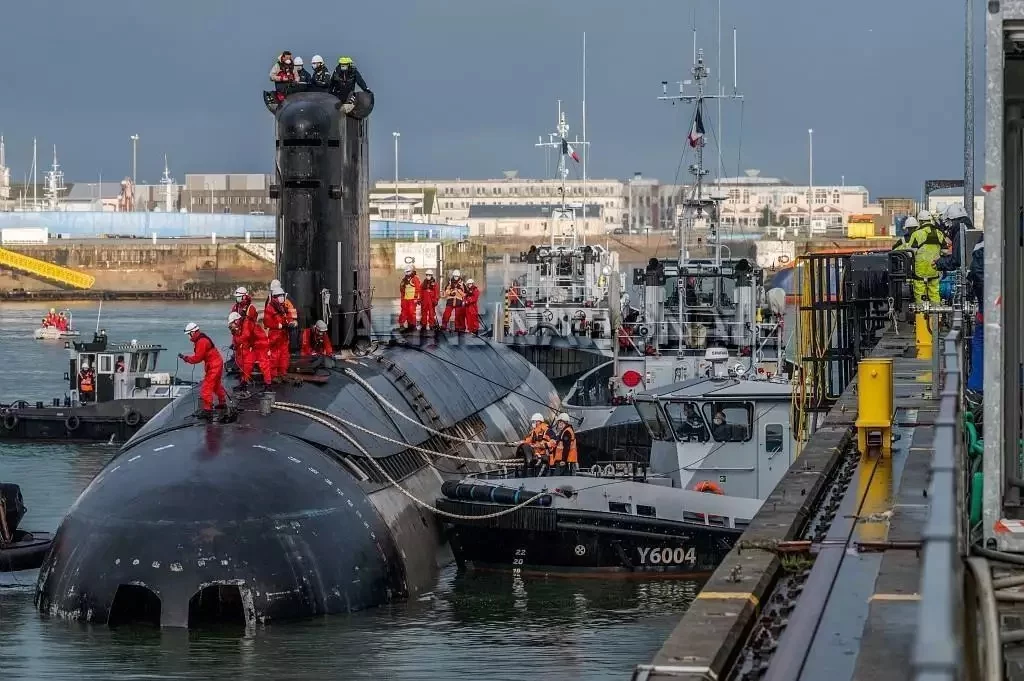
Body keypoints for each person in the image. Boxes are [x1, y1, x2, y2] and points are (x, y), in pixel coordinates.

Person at [896, 209, 948, 305]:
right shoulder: (939, 233)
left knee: (920, 296)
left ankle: (921, 317)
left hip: (920, 272)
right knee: (935, 294)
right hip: (934, 269)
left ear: (920, 221)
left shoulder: (917, 234)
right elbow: (945, 251)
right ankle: (936, 317)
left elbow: (910, 253)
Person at [178, 322, 228, 418]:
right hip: (216, 363)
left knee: (206, 387)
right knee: (216, 385)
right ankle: (222, 403)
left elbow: (198, 358)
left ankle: (207, 409)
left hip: (214, 365)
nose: (189, 337)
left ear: (192, 332)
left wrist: (186, 358)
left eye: (189, 334)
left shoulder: (201, 342)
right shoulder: (201, 339)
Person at [264, 286, 295, 380]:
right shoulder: (270, 308)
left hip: (284, 335)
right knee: (274, 355)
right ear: (275, 297)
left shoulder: (283, 307)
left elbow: (288, 316)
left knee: (284, 355)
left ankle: (283, 373)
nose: (282, 297)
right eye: (280, 295)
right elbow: (267, 322)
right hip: (275, 335)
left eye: (282, 295)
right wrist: (279, 326)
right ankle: (274, 375)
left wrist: (291, 323)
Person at [519, 413, 553, 477]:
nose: (533, 423)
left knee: (542, 475)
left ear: (538, 421)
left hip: (543, 457)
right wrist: (520, 443)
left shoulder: (547, 430)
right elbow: (529, 440)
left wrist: (541, 445)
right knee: (535, 474)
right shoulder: (534, 431)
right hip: (536, 457)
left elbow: (552, 442)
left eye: (534, 421)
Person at [228, 311, 252, 386]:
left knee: (247, 363)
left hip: (252, 345)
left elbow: (246, 336)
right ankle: (243, 378)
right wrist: (235, 344)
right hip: (245, 345)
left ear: (236, 320)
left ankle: (245, 380)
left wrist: (236, 342)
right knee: (241, 361)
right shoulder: (240, 325)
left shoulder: (246, 323)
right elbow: (239, 337)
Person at [398, 266, 421, 330]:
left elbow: (418, 288)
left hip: (412, 300)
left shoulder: (415, 278)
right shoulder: (404, 279)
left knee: (411, 312)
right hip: (405, 299)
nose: (407, 273)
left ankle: (412, 325)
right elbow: (402, 289)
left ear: (411, 271)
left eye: (408, 271)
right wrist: (402, 299)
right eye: (406, 272)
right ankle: (401, 325)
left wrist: (416, 298)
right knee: (404, 312)